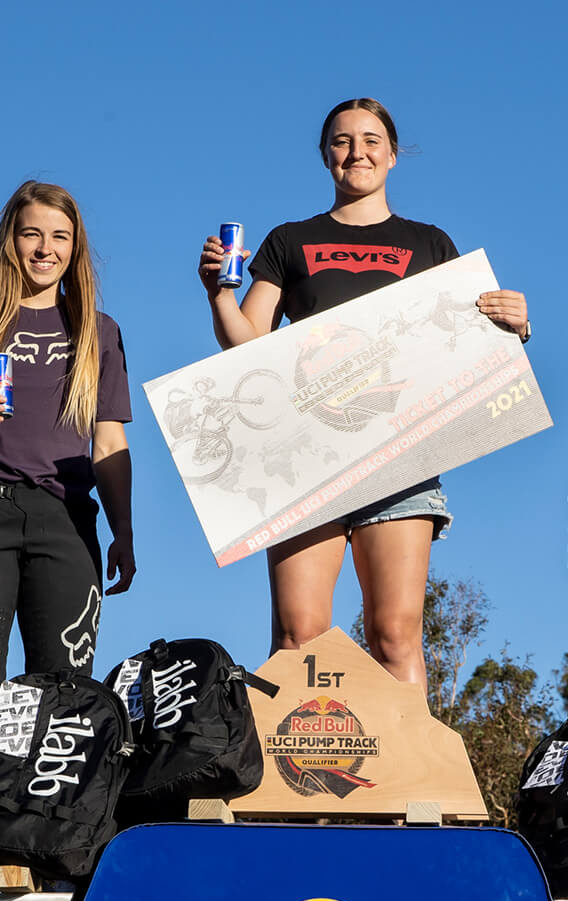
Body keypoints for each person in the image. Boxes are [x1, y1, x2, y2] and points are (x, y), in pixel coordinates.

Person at [198, 97, 530, 686]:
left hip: (400, 457)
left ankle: (414, 778)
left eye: (372, 140)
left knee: (395, 636)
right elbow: (247, 350)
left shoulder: (429, 242)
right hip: (304, 457)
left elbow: (464, 344)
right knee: (300, 635)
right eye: (343, 140)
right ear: (326, 155)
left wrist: (514, 327)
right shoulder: (289, 239)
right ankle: (288, 776)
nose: (358, 152)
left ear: (394, 155)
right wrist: (219, 295)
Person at [0, 180, 134, 717]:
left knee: (62, 694)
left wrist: (123, 532)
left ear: (75, 247)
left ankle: (44, 804)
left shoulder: (97, 331)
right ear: (9, 241)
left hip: (67, 518)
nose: (45, 249)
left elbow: (108, 442)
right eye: (31, 234)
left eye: (60, 236)